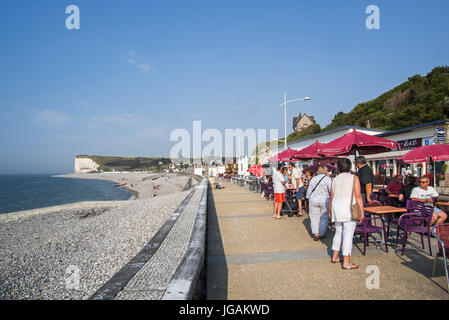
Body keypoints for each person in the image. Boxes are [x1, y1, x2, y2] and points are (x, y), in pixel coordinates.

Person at [329, 158, 364, 270]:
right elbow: (358, 196)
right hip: (349, 209)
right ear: (350, 167)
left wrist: (330, 211)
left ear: (338, 167)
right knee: (348, 235)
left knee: (338, 232)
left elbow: (331, 197)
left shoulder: (334, 179)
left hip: (336, 208)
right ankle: (346, 262)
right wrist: (362, 211)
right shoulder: (354, 178)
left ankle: (335, 256)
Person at [306, 166, 332, 240]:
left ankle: (316, 233)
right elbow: (331, 190)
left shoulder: (313, 178)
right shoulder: (328, 179)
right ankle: (321, 233)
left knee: (314, 217)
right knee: (324, 217)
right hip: (324, 200)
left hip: (313, 199)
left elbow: (309, 190)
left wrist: (307, 197)